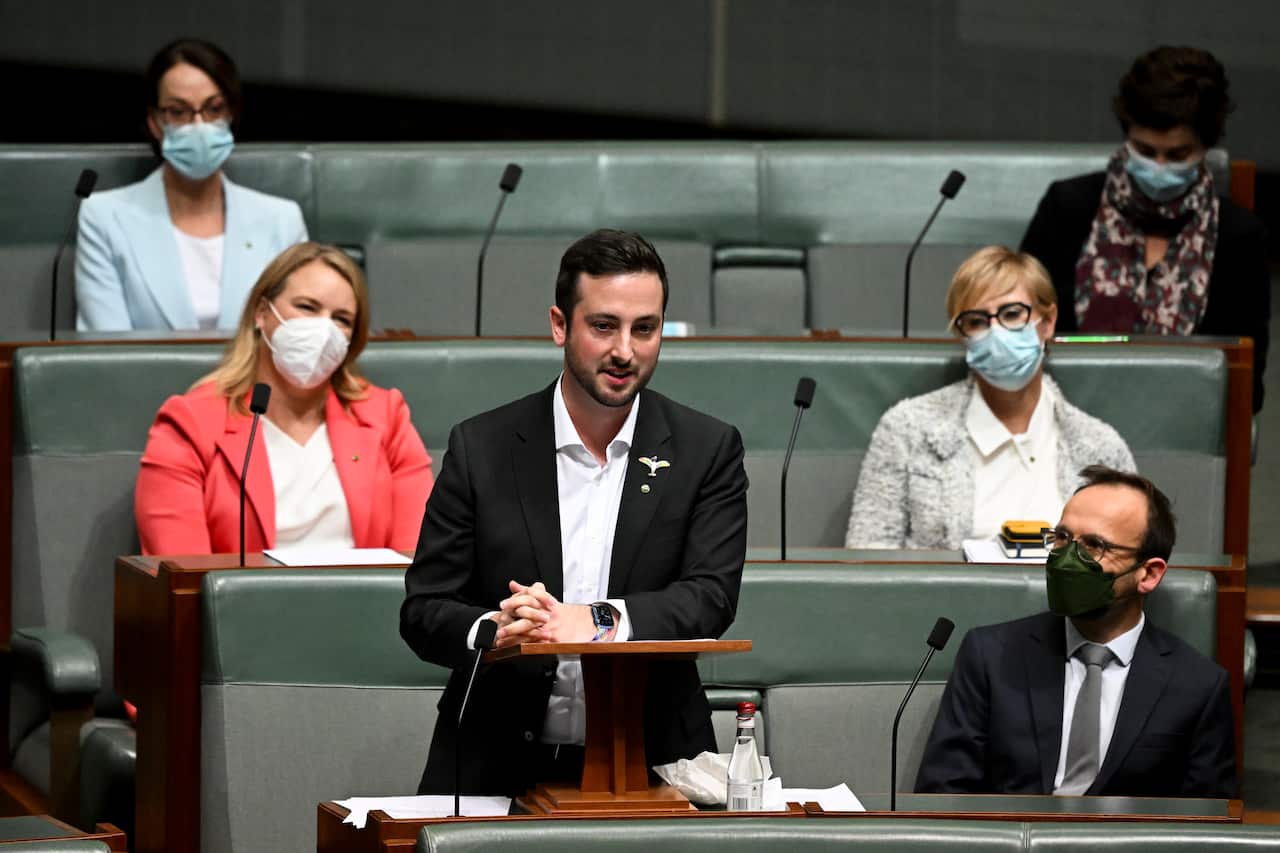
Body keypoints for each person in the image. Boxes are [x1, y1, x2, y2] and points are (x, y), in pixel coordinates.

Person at [400, 228, 749, 796]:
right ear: (560, 325)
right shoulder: (481, 447)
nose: (624, 351)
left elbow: (710, 598)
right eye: (604, 326)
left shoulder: (706, 449)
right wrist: (496, 629)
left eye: (646, 329)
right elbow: (423, 611)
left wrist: (598, 621)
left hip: (653, 760)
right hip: (494, 759)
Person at [915, 465, 1236, 798]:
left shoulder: (1198, 686)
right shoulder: (992, 655)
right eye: (1063, 538)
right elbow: (943, 793)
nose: (1068, 559)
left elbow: (1206, 821)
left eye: (1094, 545)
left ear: (1149, 574)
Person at [135, 241, 433, 554]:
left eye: (342, 319)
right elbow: (181, 573)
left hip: (372, 603)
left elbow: (416, 562)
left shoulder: (386, 416)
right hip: (239, 604)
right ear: (262, 313)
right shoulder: (191, 423)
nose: (324, 328)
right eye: (307, 307)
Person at [1021, 46, 1269, 411]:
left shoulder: (1239, 236)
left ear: (1205, 147)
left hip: (1183, 429)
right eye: (1145, 150)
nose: (1158, 167)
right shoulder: (1067, 208)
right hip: (1062, 416)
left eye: (1178, 155)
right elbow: (1017, 328)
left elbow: (1248, 385)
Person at [846, 246, 1134, 549]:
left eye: (1012, 314)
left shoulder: (1101, 447)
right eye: (977, 321)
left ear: (1048, 322)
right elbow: (867, 558)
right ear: (963, 336)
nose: (996, 333)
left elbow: (1129, 560)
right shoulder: (908, 430)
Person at [76, 38, 308, 331]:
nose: (199, 125)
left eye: (213, 108)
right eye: (178, 111)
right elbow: (104, 349)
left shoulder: (282, 221)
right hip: (147, 378)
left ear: (231, 115)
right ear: (154, 122)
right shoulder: (104, 217)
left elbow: (297, 337)